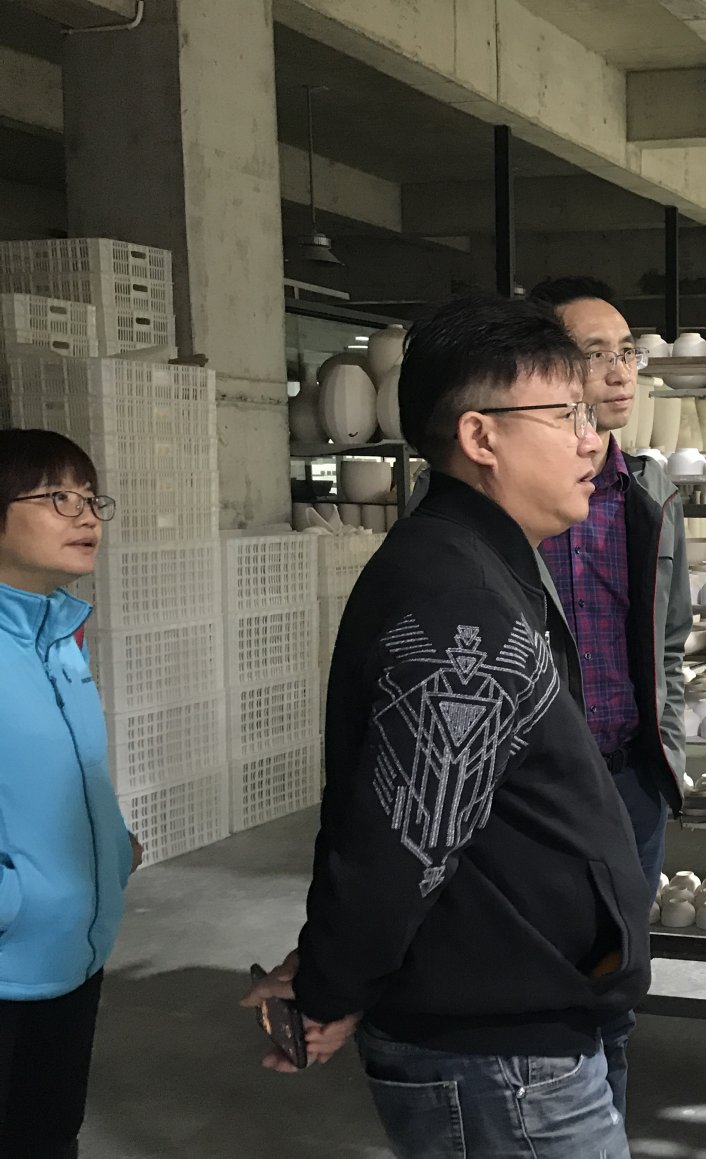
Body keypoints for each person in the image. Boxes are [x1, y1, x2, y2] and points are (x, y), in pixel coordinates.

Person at [243, 296, 649, 1158]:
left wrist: (332, 968)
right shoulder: (456, 596)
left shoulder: (481, 563)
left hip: (510, 1030)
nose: (592, 441)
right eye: (566, 415)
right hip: (497, 1059)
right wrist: (332, 982)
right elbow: (400, 839)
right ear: (479, 436)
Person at [527, 275, 690, 1116]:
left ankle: (601, 1128)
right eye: (596, 355)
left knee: (618, 974)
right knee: (535, 967)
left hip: (629, 778)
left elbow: (671, 637)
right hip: (534, 784)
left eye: (627, 352)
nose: (620, 371)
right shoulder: (509, 494)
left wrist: (667, 753)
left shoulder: (650, 492)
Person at [0, 429, 141, 1158]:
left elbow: (74, 774)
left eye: (89, 498)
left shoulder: (58, 639)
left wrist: (112, 852)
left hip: (72, 954)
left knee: (50, 1136)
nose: (86, 515)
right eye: (58, 497)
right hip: (9, 959)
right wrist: (14, 902)